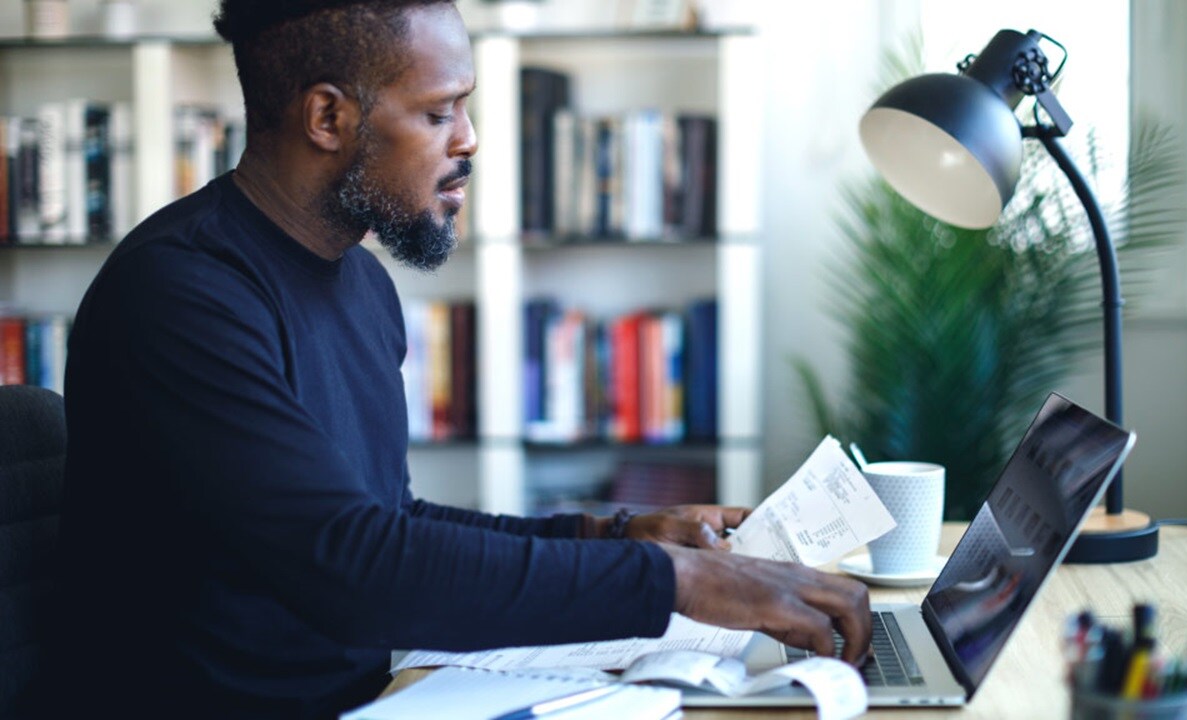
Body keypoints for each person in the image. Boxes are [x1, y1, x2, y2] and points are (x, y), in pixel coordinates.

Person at [45, 1, 872, 718]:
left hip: (372, 696)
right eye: (441, 112)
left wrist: (613, 530)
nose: (470, 140)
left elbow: (390, 523)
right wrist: (674, 581)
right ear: (328, 118)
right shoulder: (182, 296)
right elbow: (354, 567)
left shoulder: (359, 283)